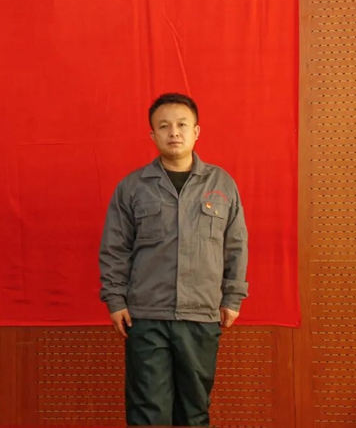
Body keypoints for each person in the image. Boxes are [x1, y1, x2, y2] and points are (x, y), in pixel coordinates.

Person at [99, 93, 248, 427]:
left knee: (194, 413)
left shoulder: (221, 184)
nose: (174, 132)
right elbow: (115, 247)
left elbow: (236, 245)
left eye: (182, 124)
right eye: (164, 126)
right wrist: (114, 298)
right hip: (146, 316)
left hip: (201, 313)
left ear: (197, 131)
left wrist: (233, 296)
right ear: (153, 135)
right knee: (147, 413)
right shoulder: (133, 187)